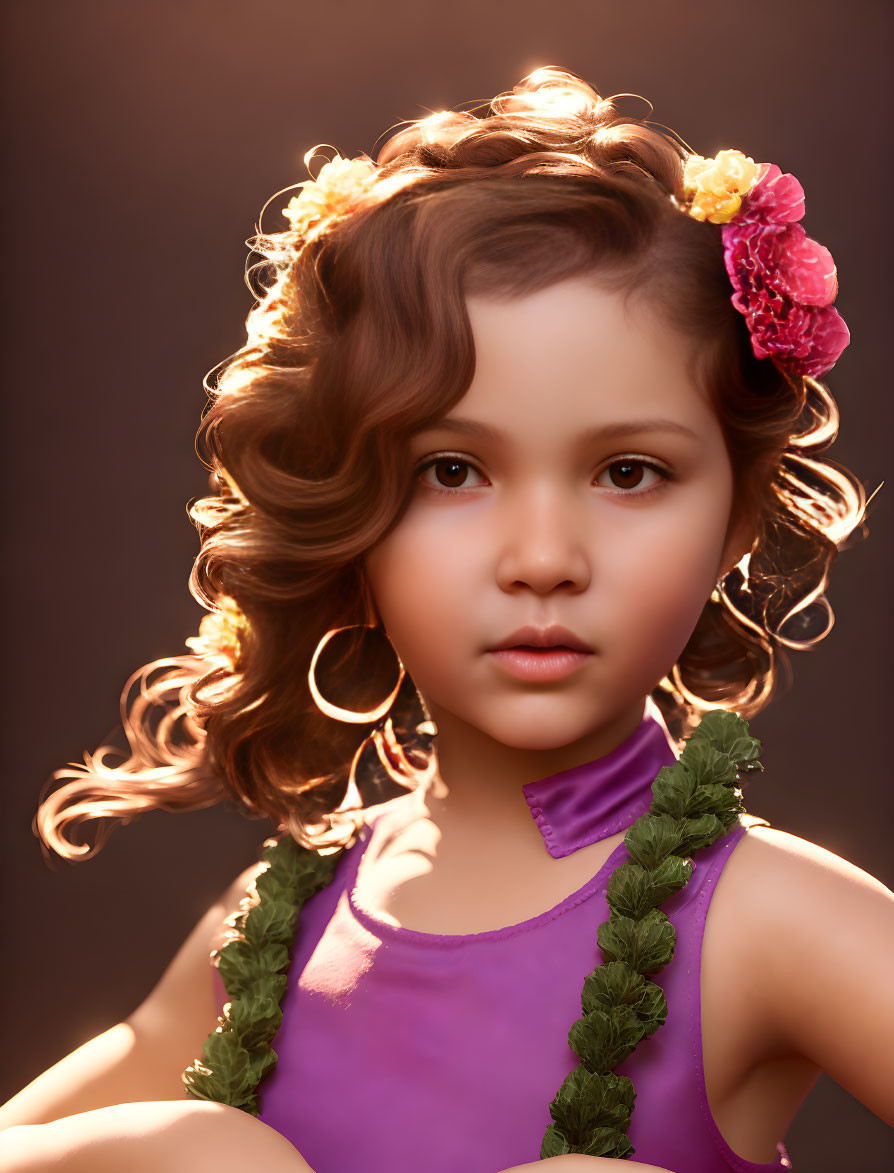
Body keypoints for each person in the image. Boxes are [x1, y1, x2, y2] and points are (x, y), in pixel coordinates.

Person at [0, 66, 891, 1173]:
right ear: (347, 518)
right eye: (454, 470)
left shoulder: (771, 923)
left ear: (740, 516)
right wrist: (163, 1149)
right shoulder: (286, 921)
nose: (543, 561)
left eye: (628, 471)